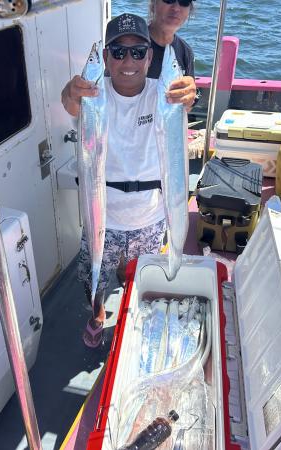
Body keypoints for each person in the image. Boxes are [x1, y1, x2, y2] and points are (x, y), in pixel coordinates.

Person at [73, 13, 169, 348]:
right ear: (106, 58)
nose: (128, 61)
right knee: (92, 276)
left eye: (138, 52)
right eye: (118, 52)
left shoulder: (163, 95)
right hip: (104, 214)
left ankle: (133, 311)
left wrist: (189, 95)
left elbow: (184, 100)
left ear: (150, 57)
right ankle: (98, 313)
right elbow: (69, 102)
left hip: (149, 216)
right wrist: (71, 92)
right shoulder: (92, 96)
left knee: (142, 277)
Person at [61, 0, 197, 116]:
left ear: (149, 56)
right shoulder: (129, 39)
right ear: (153, 3)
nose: (176, 8)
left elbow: (185, 106)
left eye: (184, 1)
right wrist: (72, 97)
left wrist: (188, 97)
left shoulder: (185, 51)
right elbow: (89, 104)